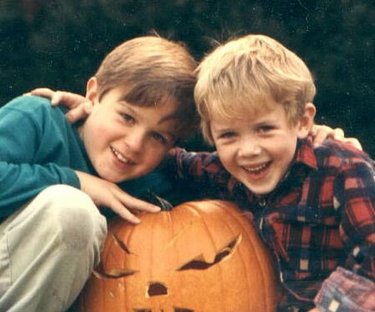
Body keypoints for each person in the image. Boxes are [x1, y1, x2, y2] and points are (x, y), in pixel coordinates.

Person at [29, 36, 372, 311]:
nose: (248, 150)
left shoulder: (341, 168)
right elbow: (159, 155)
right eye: (228, 136)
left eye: (265, 129)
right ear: (211, 136)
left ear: (302, 121)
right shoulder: (225, 171)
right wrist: (97, 117)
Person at [0, 35, 199, 312]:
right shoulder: (40, 118)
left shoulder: (155, 189)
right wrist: (77, 181)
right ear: (93, 94)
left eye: (158, 136)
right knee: (72, 210)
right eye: (127, 117)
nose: (134, 144)